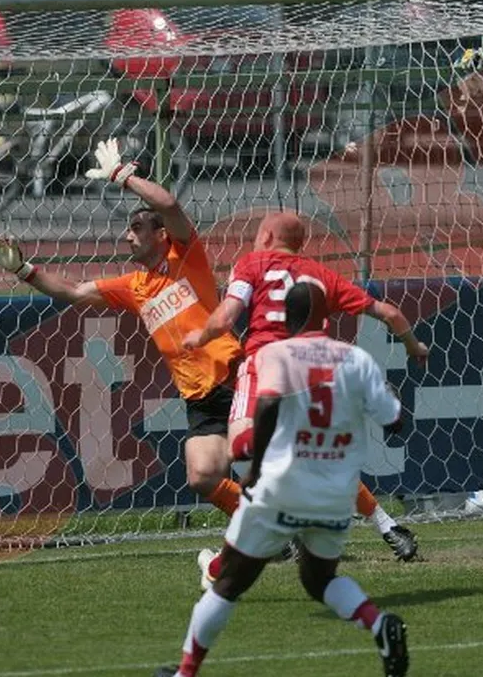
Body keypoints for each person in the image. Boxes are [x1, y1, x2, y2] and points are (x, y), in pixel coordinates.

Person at [156, 283, 410, 677]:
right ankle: (378, 624)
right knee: (320, 581)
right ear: (325, 320)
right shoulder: (356, 359)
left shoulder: (272, 356)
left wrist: (254, 466)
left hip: (281, 487)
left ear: (285, 321)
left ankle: (185, 673)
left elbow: (260, 417)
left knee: (227, 584)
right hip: (334, 495)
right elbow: (394, 422)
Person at [0, 138, 245, 519]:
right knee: (201, 476)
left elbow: (169, 205)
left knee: (273, 465)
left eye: (137, 228)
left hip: (233, 378)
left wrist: (123, 176)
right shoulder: (134, 287)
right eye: (128, 229)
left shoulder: (186, 256)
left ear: (161, 234)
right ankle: (265, 527)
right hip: (199, 397)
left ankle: (289, 522)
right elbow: (74, 291)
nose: (128, 236)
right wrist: (24, 270)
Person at [183, 212, 427, 567]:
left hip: (265, 367)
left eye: (257, 234)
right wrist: (414, 347)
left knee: (241, 447)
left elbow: (226, 316)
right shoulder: (322, 275)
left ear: (267, 237)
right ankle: (387, 525)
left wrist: (201, 336)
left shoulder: (251, 264)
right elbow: (389, 313)